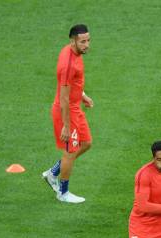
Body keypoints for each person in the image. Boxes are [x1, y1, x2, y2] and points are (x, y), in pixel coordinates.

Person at [42, 24, 94, 204]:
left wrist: (83, 95)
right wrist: (66, 125)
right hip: (66, 112)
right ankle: (63, 193)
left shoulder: (72, 52)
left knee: (86, 143)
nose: (87, 45)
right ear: (73, 41)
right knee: (70, 152)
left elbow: (74, 85)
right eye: (83, 41)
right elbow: (63, 99)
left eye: (88, 40)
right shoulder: (68, 65)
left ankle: (52, 173)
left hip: (75, 108)